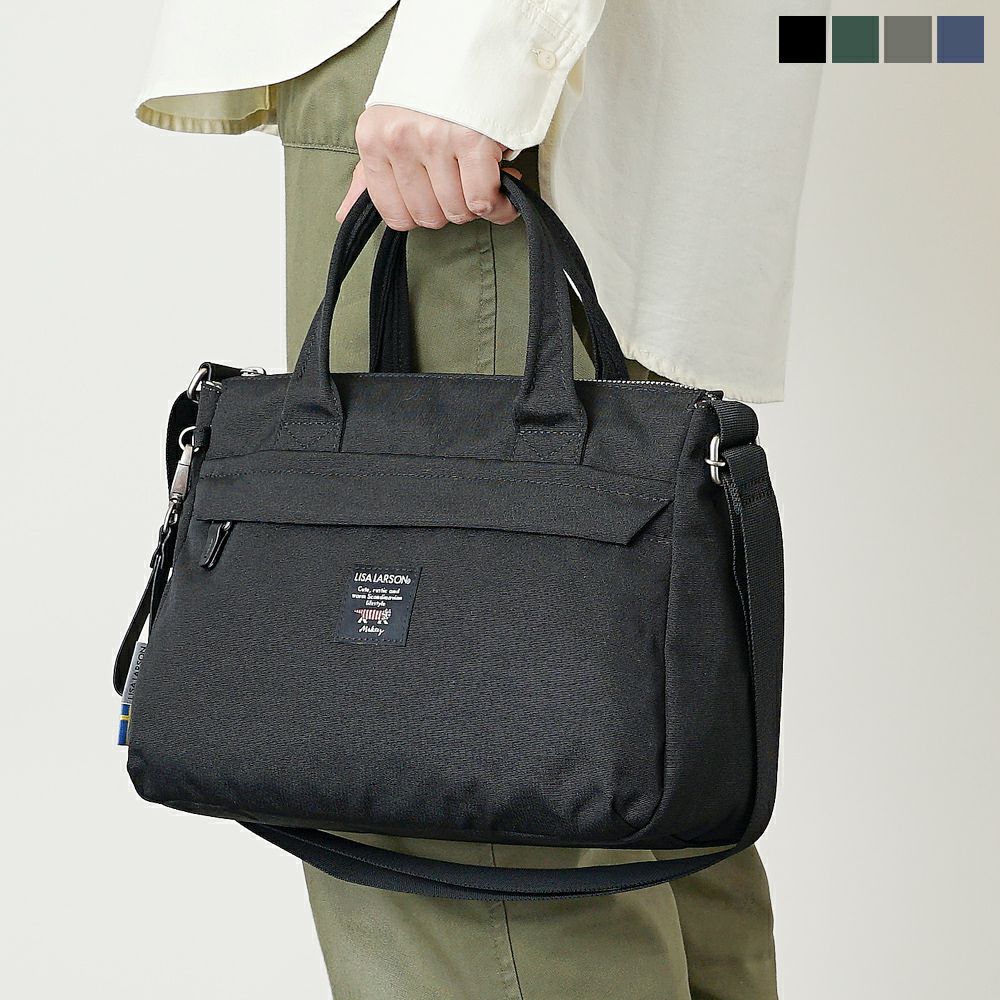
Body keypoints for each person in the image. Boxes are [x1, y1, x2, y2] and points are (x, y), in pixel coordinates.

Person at [136, 2, 824, 997]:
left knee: (452, 819)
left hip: (456, 88)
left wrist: (473, 58)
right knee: (639, 783)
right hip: (548, 82)